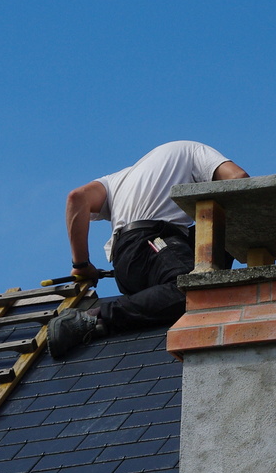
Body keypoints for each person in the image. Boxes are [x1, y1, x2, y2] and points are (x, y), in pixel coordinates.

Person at [48, 140, 249, 359]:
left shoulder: (119, 179)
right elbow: (238, 180)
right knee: (196, 288)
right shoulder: (192, 150)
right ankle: (93, 319)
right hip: (154, 242)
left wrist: (81, 266)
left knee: (208, 252)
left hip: (126, 265)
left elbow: (76, 198)